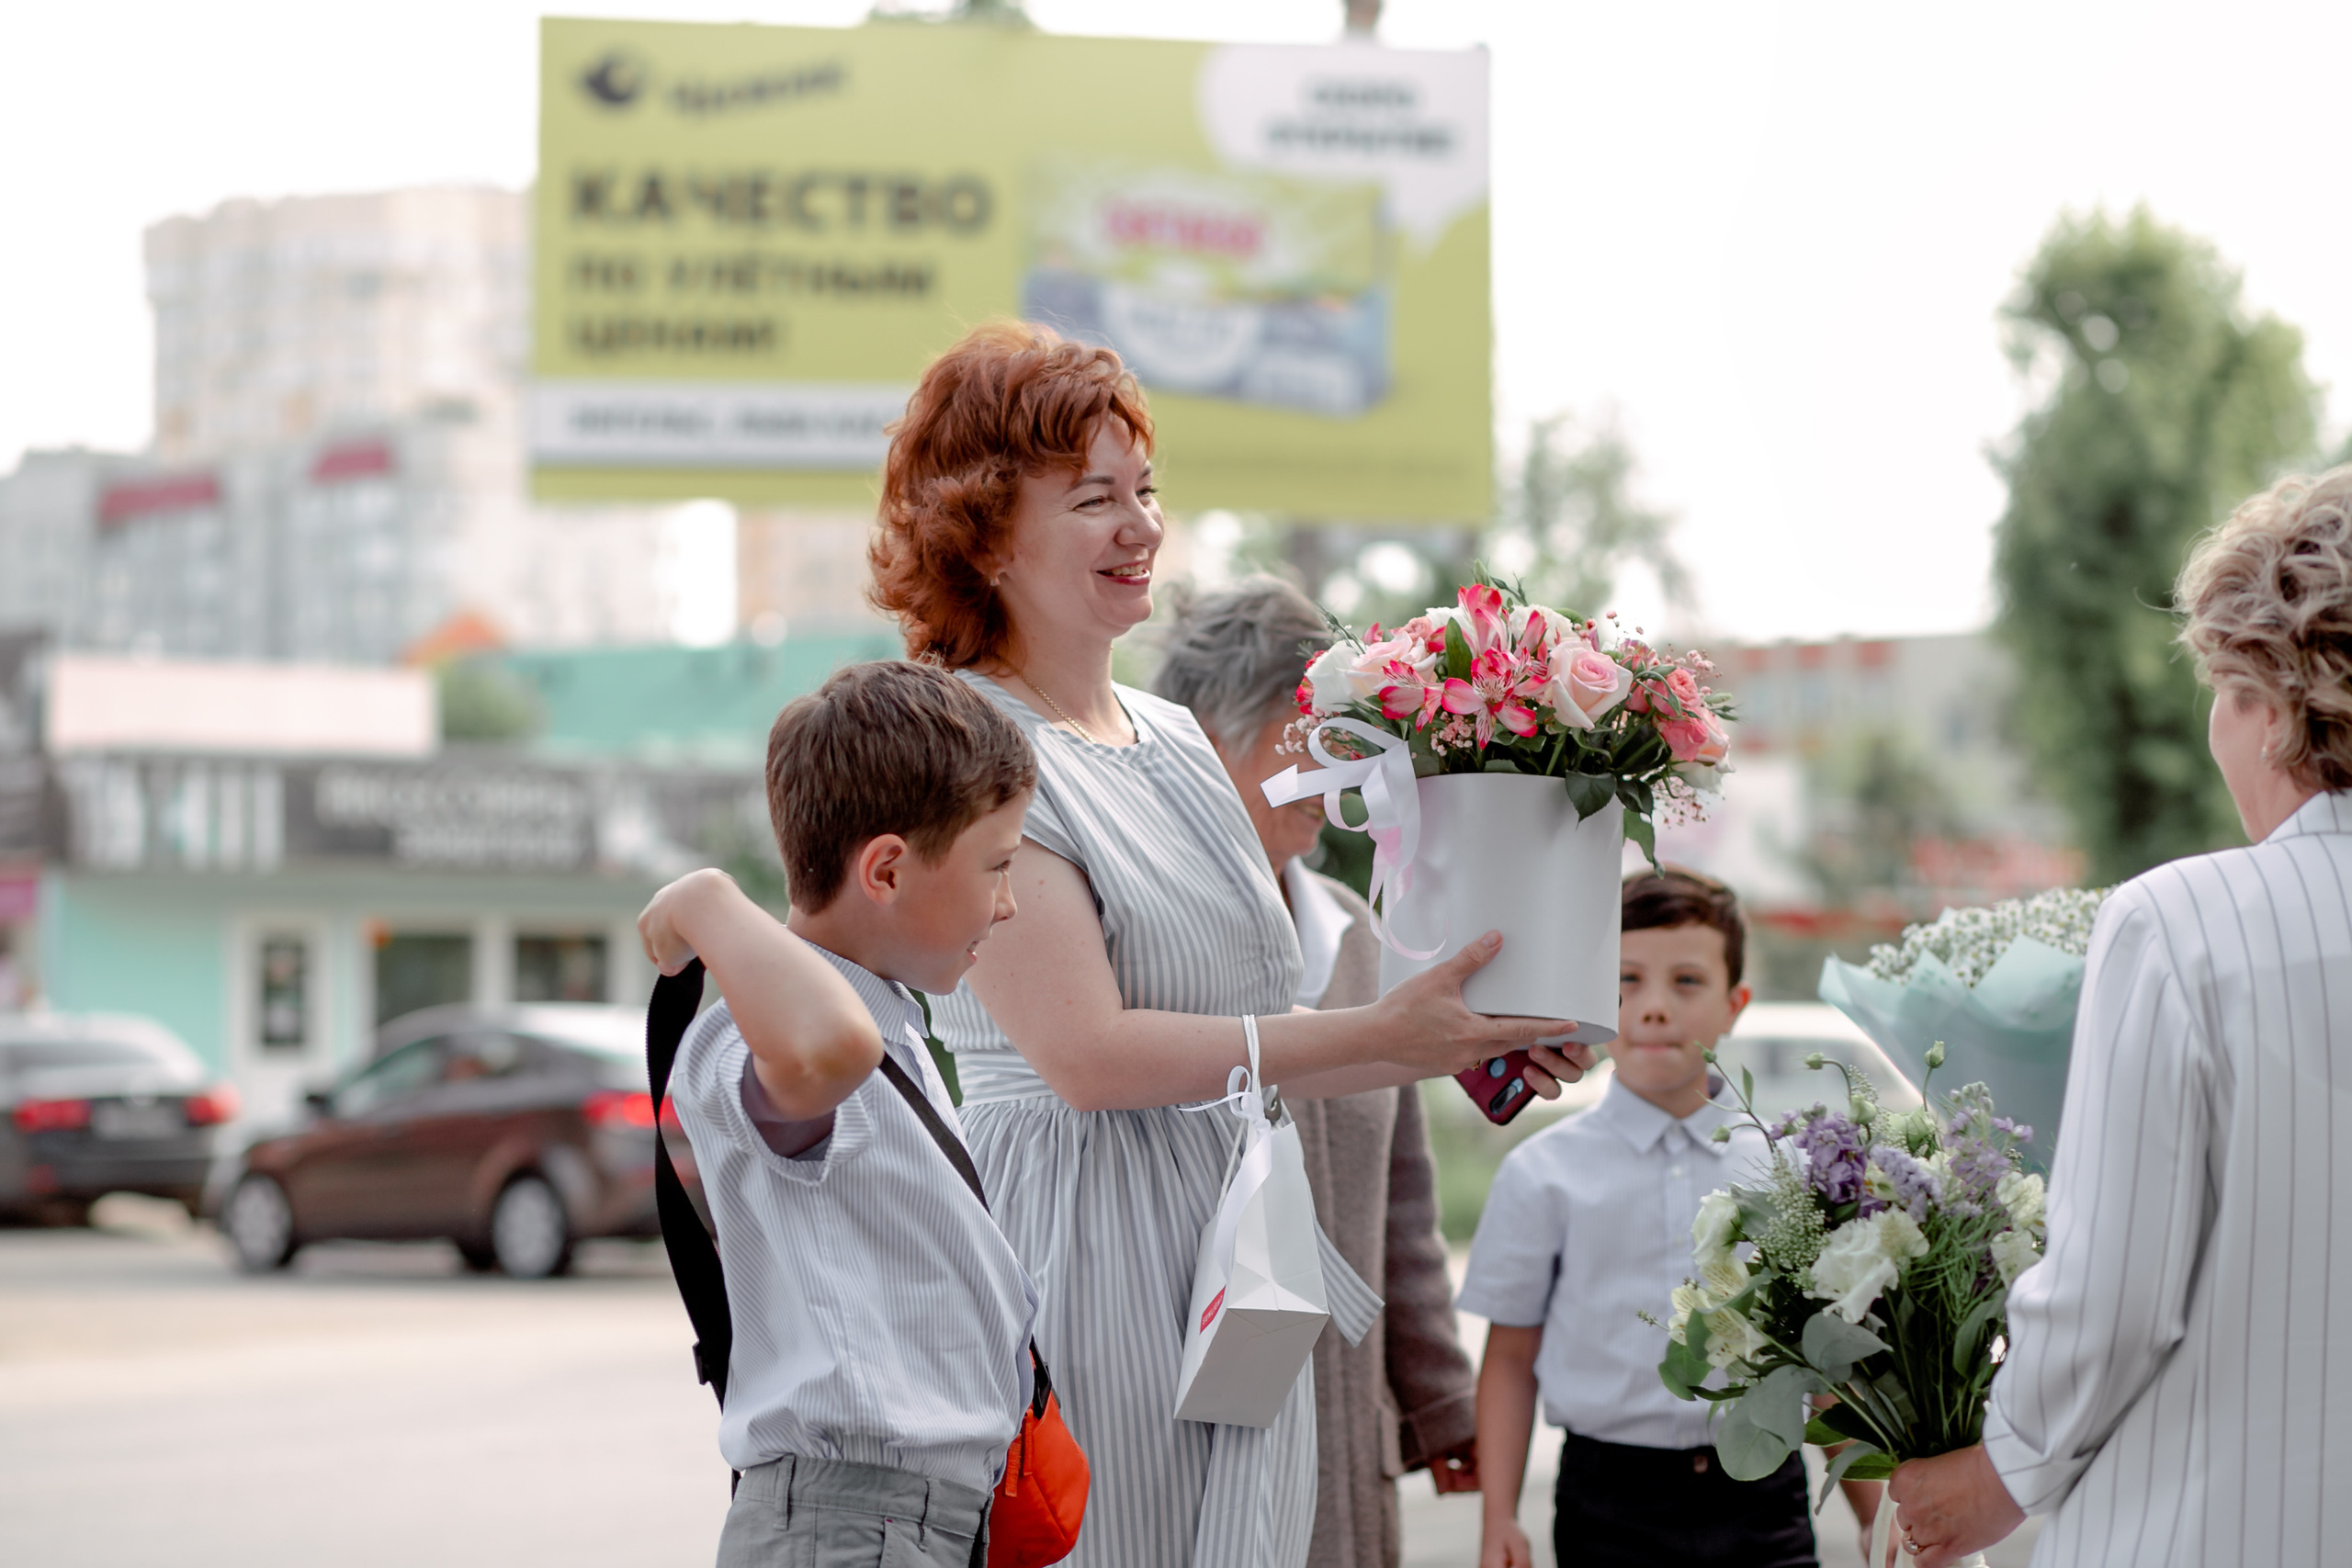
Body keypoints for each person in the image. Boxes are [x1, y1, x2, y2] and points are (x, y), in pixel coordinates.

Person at [869, 320, 1599, 1568]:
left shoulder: (1165, 735)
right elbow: (1088, 1057)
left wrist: (1470, 1036)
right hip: (1085, 1250)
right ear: (981, 530)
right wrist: (1386, 1033)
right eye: (1092, 497)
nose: (1140, 525)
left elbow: (1272, 1032)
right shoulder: (968, 739)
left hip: (1238, 1252)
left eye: (1144, 489)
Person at [1891, 468, 2352, 1567]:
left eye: (2221, 688)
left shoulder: (2182, 925)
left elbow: (2117, 1293)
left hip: (2210, 1527)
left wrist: (1999, 1473)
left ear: (2272, 698)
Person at [635, 660, 1042, 1568]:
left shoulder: (887, 1021)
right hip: (853, 1523)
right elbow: (828, 1051)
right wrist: (708, 901)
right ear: (887, 870)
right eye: (998, 866)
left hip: (907, 1518)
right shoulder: (758, 1041)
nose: (1008, 904)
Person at [1152, 577, 1483, 1568]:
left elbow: (1403, 1205)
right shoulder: (1151, 937)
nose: (1339, 772)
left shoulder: (1361, 938)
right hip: (1195, 1410)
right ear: (1213, 733)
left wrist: (1436, 1402)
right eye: (1309, 739)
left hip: (1346, 1419)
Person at [1461, 868, 1879, 1567]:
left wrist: (1876, 1513)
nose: (1654, 1007)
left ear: (1734, 1003)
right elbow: (1508, 1358)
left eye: (1687, 981)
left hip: (1764, 1501)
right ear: (1591, 992)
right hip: (1608, 1506)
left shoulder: (1789, 1169)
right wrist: (1497, 1516)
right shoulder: (1543, 1172)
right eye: (1625, 979)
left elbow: (1825, 1359)